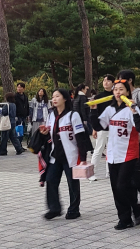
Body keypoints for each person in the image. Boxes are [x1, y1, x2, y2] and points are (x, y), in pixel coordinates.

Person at [89, 80, 140, 230]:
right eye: (116, 90)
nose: (118, 92)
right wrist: (93, 110)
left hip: (129, 153)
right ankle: (125, 218)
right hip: (113, 154)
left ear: (128, 92)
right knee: (117, 188)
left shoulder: (131, 109)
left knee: (122, 186)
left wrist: (134, 111)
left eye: (121, 89)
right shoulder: (109, 109)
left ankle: (136, 208)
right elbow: (97, 125)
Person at [39, 88, 93, 220]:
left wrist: (83, 158)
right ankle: (54, 208)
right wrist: (45, 132)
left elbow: (81, 137)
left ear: (65, 98)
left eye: (57, 96)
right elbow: (50, 133)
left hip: (71, 155)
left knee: (72, 183)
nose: (54, 99)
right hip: (55, 154)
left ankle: (74, 210)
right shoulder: (51, 115)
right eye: (53, 96)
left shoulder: (73, 115)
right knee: (51, 180)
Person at [117, 70, 140, 204]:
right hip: (123, 138)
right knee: (125, 167)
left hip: (137, 136)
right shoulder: (118, 97)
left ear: (130, 80)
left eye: (121, 81)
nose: (119, 87)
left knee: (137, 165)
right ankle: (131, 192)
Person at [89, 74, 115, 181]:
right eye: (104, 80)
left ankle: (110, 172)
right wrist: (95, 128)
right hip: (101, 128)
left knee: (111, 150)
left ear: (113, 83)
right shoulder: (99, 97)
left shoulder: (116, 96)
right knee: (98, 149)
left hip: (114, 127)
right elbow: (96, 113)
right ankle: (91, 173)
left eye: (108, 81)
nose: (106, 82)